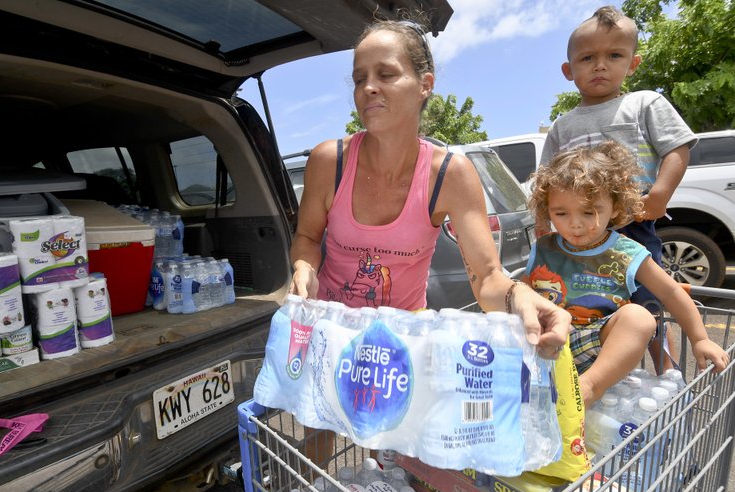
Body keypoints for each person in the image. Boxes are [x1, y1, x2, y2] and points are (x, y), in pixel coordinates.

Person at [287, 16, 571, 464]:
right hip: (333, 335)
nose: (368, 88)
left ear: (425, 84)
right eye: (360, 79)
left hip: (402, 346)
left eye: (386, 74)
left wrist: (519, 296)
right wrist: (304, 267)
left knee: (392, 449)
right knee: (321, 435)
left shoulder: (449, 175)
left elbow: (488, 278)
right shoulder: (329, 162)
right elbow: (307, 237)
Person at [540, 5, 697, 373]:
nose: (600, 65)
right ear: (568, 70)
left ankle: (667, 373)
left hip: (633, 224)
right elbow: (546, 180)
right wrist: (544, 227)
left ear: (633, 63)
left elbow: (677, 148)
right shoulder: (562, 126)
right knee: (584, 304)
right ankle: (595, 373)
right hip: (578, 233)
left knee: (649, 303)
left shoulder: (644, 103)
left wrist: (658, 196)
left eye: (614, 55)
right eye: (587, 58)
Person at [525, 142, 729, 406]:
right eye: (561, 213)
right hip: (544, 344)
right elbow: (521, 293)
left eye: (589, 212)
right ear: (547, 209)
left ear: (615, 207)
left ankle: (589, 387)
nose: (575, 224)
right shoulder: (544, 247)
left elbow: (671, 291)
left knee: (639, 316)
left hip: (598, 347)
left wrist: (700, 339)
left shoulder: (626, 252)